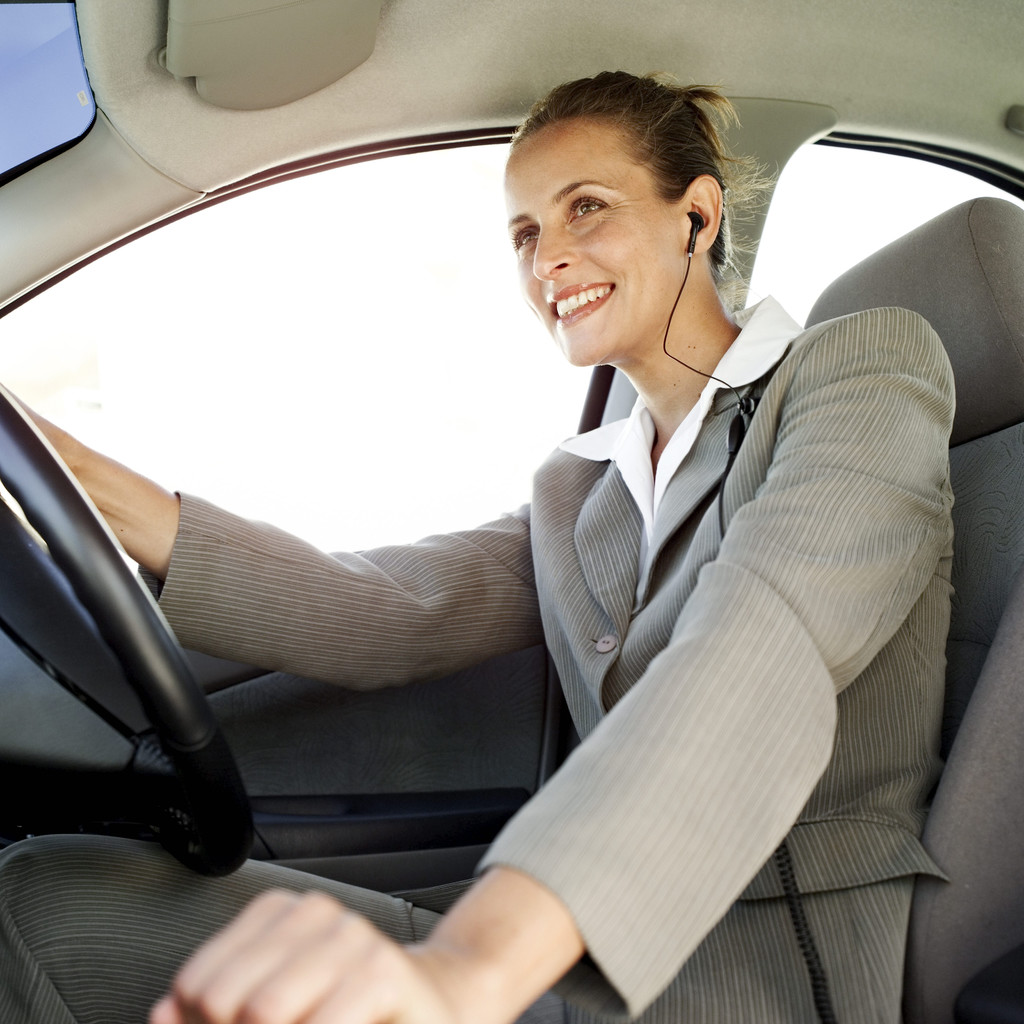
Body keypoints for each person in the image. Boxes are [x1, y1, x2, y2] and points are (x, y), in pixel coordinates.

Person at [0, 70, 954, 1024]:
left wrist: (467, 968)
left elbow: (760, 650)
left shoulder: (859, 369)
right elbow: (382, 613)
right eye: (526, 234)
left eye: (588, 209)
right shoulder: (583, 488)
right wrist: (57, 465)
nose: (551, 260)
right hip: (573, 970)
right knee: (46, 894)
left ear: (696, 217)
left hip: (758, 983)